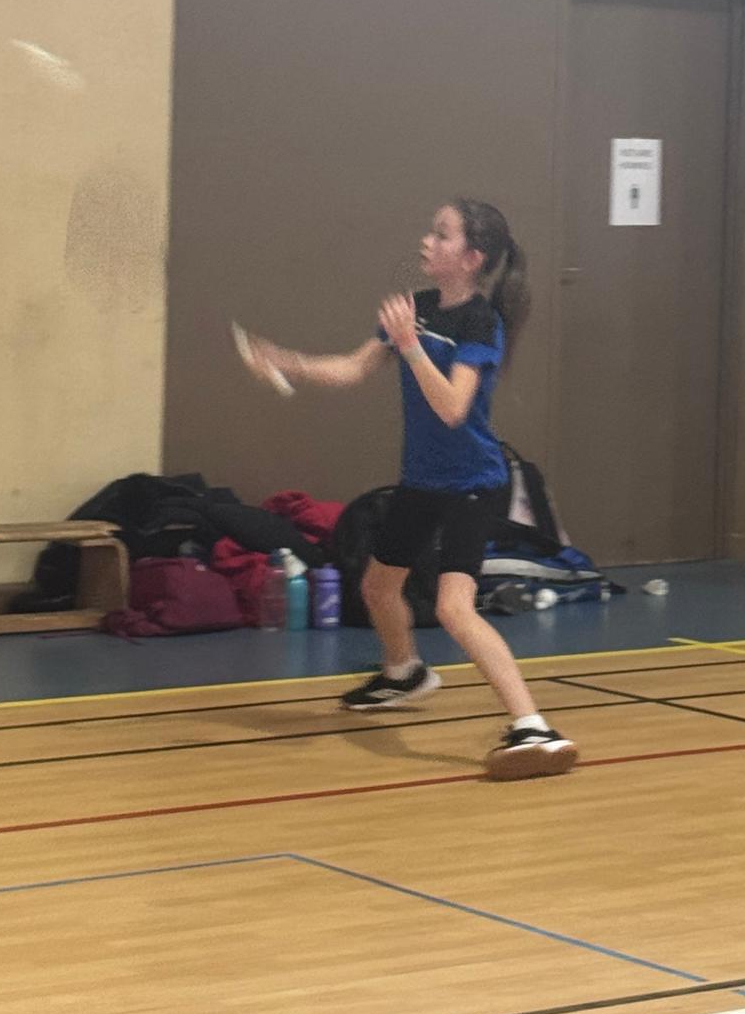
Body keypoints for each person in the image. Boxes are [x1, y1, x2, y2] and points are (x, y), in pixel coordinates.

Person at [238, 198, 578, 780]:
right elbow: (353, 367)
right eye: (431, 232)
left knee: (453, 608)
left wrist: (412, 346)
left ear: (472, 258)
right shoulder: (416, 307)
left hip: (473, 483)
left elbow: (452, 408)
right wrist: (286, 360)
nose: (427, 241)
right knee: (378, 587)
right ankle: (405, 674)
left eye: (442, 235)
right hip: (423, 480)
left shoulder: (479, 323)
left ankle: (533, 727)